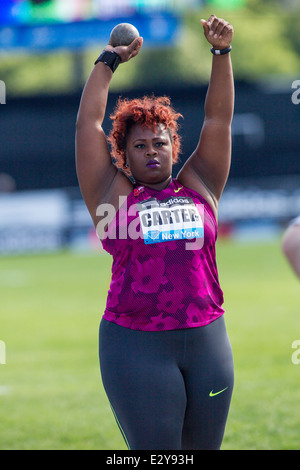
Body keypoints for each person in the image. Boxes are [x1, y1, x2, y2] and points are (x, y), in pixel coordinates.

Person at [76, 14, 235, 450]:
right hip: (135, 347)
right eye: (140, 146)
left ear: (173, 148)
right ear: (124, 155)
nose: (151, 152)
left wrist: (221, 54)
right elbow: (88, 127)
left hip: (208, 342)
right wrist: (109, 60)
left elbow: (218, 121)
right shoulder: (113, 195)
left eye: (159, 143)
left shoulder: (200, 185)